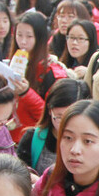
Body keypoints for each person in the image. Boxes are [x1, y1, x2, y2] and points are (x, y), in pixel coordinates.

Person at [12, 10, 68, 138]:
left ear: (40, 38)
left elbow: (53, 116)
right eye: (19, 35)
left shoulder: (51, 72)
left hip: (36, 138)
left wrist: (26, 93)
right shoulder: (14, 62)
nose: (23, 41)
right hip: (11, 136)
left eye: (29, 36)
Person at [17, 78, 86, 175]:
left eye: (72, 118)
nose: (65, 124)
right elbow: (18, 175)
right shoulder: (33, 138)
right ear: (50, 110)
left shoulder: (91, 143)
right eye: (59, 117)